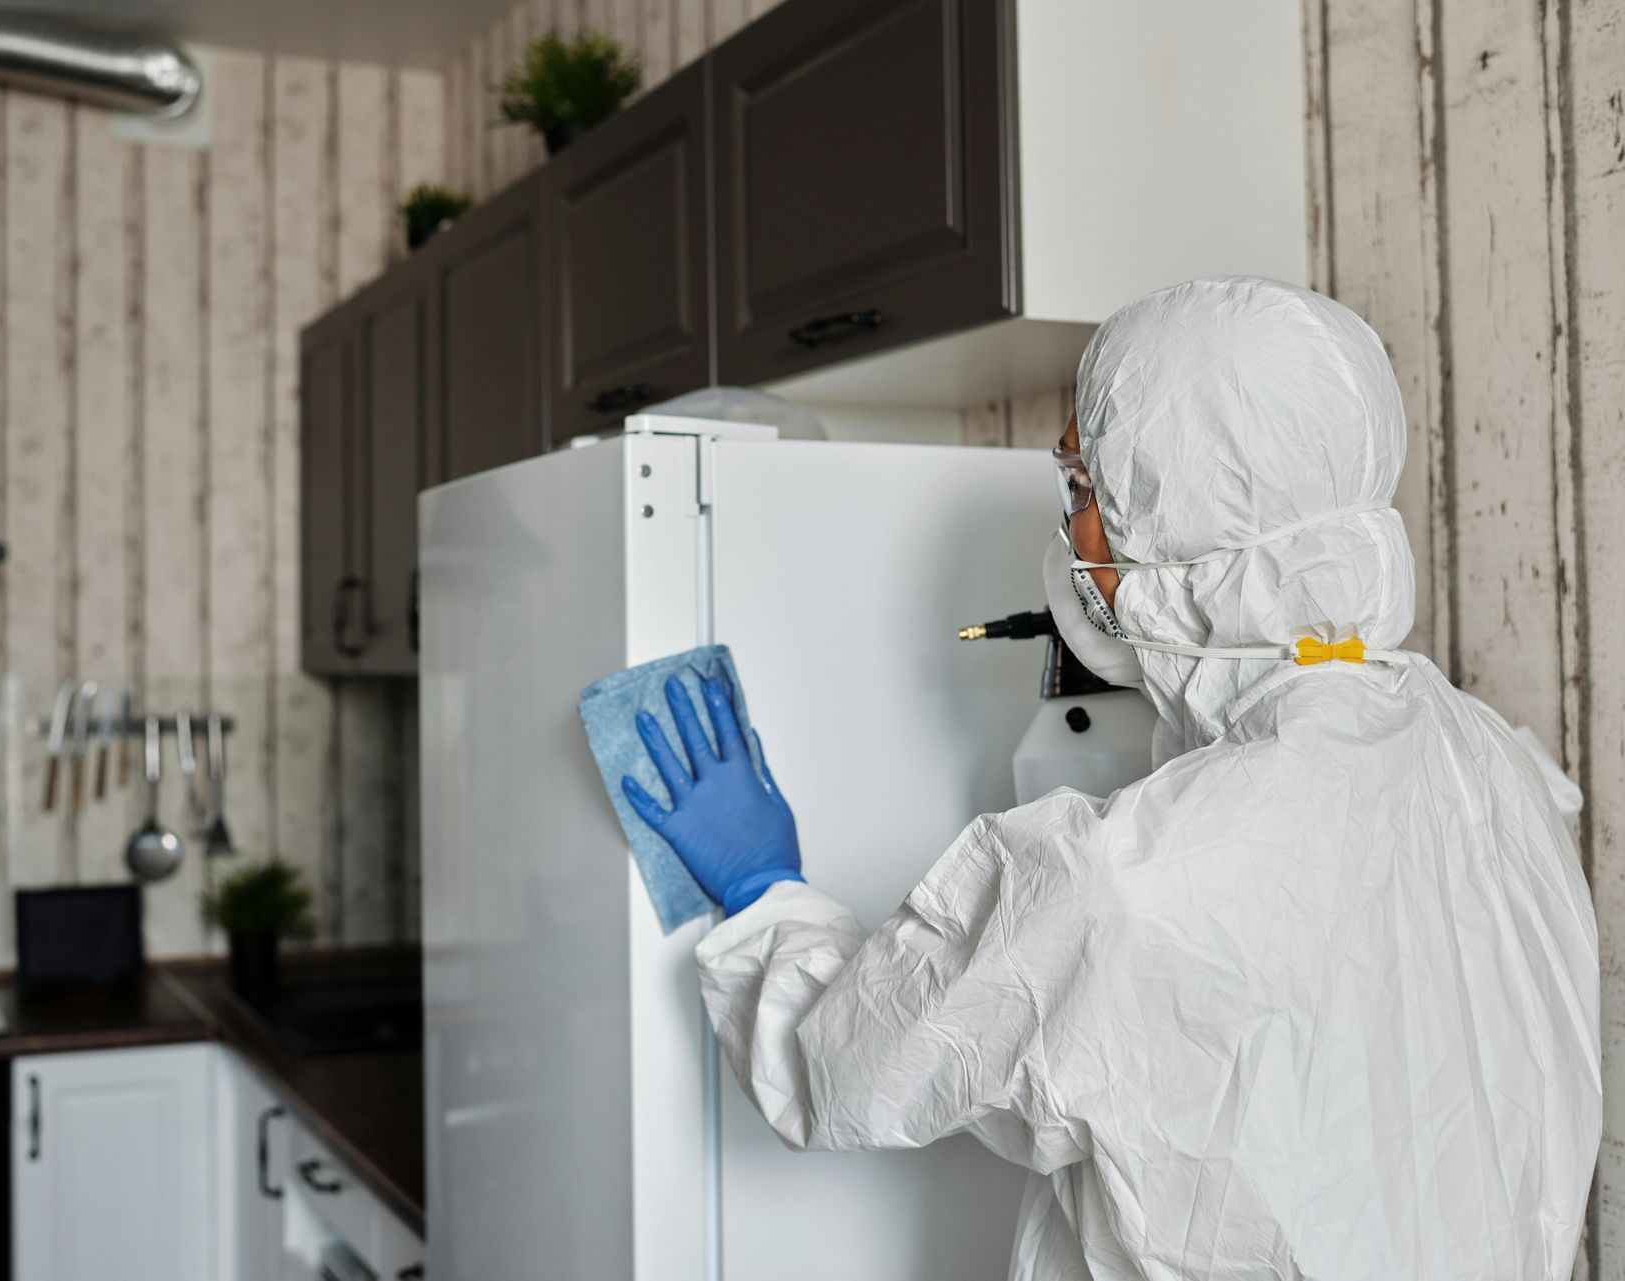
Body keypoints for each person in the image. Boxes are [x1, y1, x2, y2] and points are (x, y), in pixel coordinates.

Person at [620, 277, 1600, 1280]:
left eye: (1089, 492)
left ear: (1185, 532)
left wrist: (761, 895)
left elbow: (839, 1068)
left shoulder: (1132, 882)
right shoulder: (1499, 771)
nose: (1074, 533)